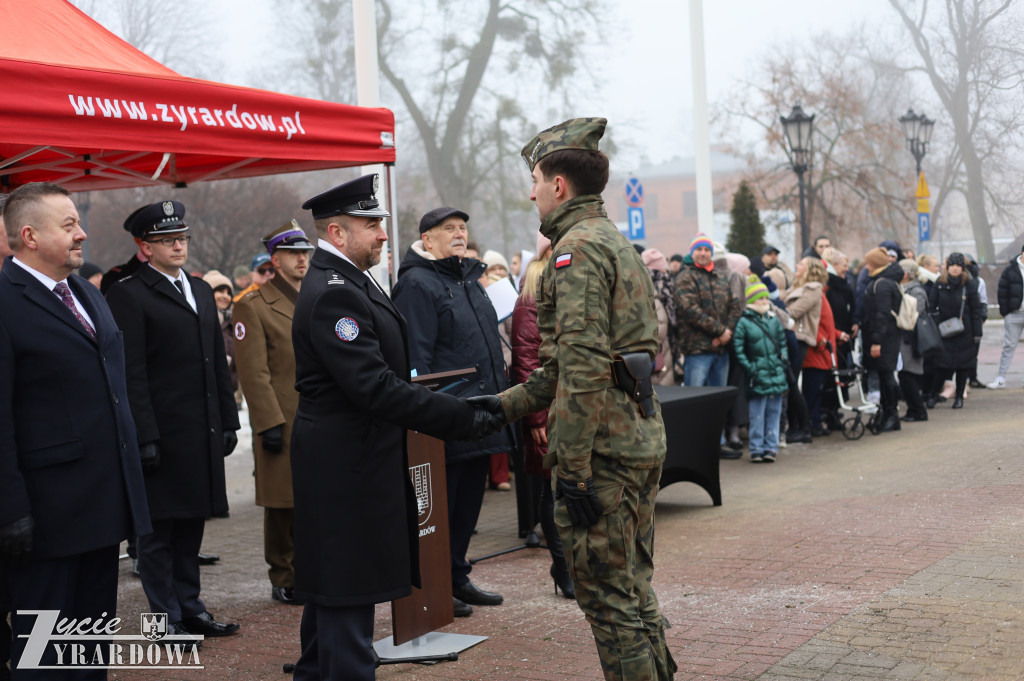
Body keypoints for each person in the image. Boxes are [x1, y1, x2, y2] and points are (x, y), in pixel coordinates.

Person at [289, 173, 501, 681]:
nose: (384, 234)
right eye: (371, 225)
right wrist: (461, 415)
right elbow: (375, 387)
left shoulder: (350, 280)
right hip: (345, 466)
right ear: (337, 232)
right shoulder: (334, 292)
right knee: (346, 594)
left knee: (336, 597)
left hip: (356, 458)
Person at [495, 117, 677, 681]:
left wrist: (572, 470)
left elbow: (580, 368)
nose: (531, 194)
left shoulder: (574, 251)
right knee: (633, 587)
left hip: (603, 449)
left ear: (559, 185)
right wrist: (498, 408)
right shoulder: (613, 241)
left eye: (535, 181)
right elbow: (566, 366)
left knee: (607, 599)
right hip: (637, 434)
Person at [0, 182, 151, 674]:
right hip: (44, 520)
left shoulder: (86, 292)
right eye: (68, 226)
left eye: (78, 223)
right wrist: (10, 510)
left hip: (100, 510)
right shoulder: (5, 302)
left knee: (89, 652)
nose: (82, 234)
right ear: (29, 236)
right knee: (42, 656)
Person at [106, 200, 241, 640]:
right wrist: (144, 435)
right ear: (145, 247)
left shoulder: (199, 290)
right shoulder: (128, 293)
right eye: (167, 241)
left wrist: (228, 421)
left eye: (182, 238)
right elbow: (131, 372)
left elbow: (215, 362)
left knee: (191, 525)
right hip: (162, 434)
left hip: (199, 430)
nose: (178, 246)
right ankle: (163, 620)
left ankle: (191, 608)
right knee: (158, 532)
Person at [392, 207, 511, 616]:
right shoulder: (416, 284)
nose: (459, 234)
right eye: (449, 229)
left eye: (462, 228)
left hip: (481, 412)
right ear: (427, 239)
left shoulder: (469, 279)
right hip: (446, 415)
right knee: (441, 505)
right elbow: (416, 356)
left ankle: (458, 574)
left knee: (468, 503)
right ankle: (435, 582)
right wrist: (427, 412)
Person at [233, 220, 314, 606]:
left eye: (305, 252)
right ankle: (284, 575)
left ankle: (313, 568)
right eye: (292, 253)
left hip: (319, 416)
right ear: (274, 260)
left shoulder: (317, 297)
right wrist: (268, 424)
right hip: (283, 417)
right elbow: (253, 372)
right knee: (283, 503)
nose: (302, 259)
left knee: (315, 498)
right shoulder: (252, 304)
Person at [509, 235, 574, 598]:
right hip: (547, 410)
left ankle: (576, 563)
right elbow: (525, 360)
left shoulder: (572, 288)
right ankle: (562, 566)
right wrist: (535, 418)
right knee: (552, 489)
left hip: (577, 406)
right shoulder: (531, 296)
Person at [674, 234, 741, 390]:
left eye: (706, 250)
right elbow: (690, 310)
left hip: (722, 349)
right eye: (699, 249)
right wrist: (720, 331)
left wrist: (727, 333)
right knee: (694, 398)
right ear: (692, 252)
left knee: (719, 399)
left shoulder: (720, 276)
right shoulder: (685, 277)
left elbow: (734, 306)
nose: (703, 253)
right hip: (698, 350)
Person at [733, 279, 788, 463]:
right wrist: (751, 368)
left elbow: (782, 343)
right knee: (757, 414)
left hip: (775, 373)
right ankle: (757, 448)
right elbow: (739, 348)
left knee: (774, 412)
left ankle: (771, 447)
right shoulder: (744, 322)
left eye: (766, 298)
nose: (764, 301)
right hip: (757, 376)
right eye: (760, 298)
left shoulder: (774, 320)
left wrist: (782, 361)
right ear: (751, 300)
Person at [928, 253, 985, 409]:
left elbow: (976, 310)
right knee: (942, 366)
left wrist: (977, 333)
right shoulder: (940, 283)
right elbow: (932, 306)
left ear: (963, 268)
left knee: (963, 367)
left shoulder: (969, 284)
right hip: (944, 331)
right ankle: (933, 395)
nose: (954, 268)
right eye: (952, 265)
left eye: (958, 265)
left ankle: (959, 397)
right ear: (947, 267)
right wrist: (937, 323)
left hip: (964, 331)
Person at [782, 257, 828, 442]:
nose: (797, 266)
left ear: (810, 269)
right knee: (790, 383)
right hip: (792, 337)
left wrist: (775, 310)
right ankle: (796, 426)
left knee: (792, 383)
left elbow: (793, 311)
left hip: (800, 338)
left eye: (801, 264)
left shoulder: (813, 289)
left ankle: (804, 427)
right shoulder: (798, 287)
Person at [860, 247, 904, 431]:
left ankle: (892, 415)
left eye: (869, 263)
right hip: (886, 337)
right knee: (885, 375)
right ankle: (887, 413)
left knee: (887, 376)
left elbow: (881, 315)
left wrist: (876, 341)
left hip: (885, 339)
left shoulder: (882, 284)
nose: (866, 267)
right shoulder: (884, 281)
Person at [987, 242, 1024, 389]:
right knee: (1009, 346)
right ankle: (1001, 377)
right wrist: (1006, 312)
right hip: (1014, 314)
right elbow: (1002, 291)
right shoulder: (1010, 270)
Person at [897, 259, 929, 422]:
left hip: (912, 339)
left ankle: (918, 411)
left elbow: (916, 313)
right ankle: (914, 410)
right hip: (906, 339)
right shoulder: (907, 289)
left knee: (908, 374)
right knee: (906, 374)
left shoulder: (916, 291)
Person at [641, 247, 678, 386]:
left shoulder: (638, 283)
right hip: (661, 348)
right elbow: (664, 322)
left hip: (650, 349)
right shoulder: (663, 283)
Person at [203, 270, 239, 400]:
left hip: (229, 390)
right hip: (209, 392)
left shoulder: (233, 321)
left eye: (229, 293)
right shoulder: (203, 322)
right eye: (220, 291)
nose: (226, 296)